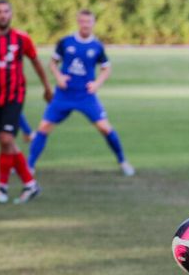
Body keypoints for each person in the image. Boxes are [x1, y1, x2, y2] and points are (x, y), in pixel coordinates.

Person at [27, 9, 133, 177]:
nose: (85, 25)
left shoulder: (97, 46)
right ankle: (29, 165)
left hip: (85, 96)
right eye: (82, 21)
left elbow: (106, 68)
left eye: (88, 22)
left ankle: (123, 161)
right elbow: (53, 63)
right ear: (78, 22)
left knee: (105, 128)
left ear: (93, 23)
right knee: (43, 127)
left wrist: (97, 83)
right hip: (64, 94)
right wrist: (59, 77)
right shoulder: (66, 42)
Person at [0, 0, 52, 204]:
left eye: (6, 12)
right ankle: (27, 185)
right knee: (6, 144)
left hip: (14, 95)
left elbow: (36, 62)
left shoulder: (22, 38)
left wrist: (47, 87)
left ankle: (3, 187)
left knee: (6, 139)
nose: (3, 15)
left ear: (11, 14)